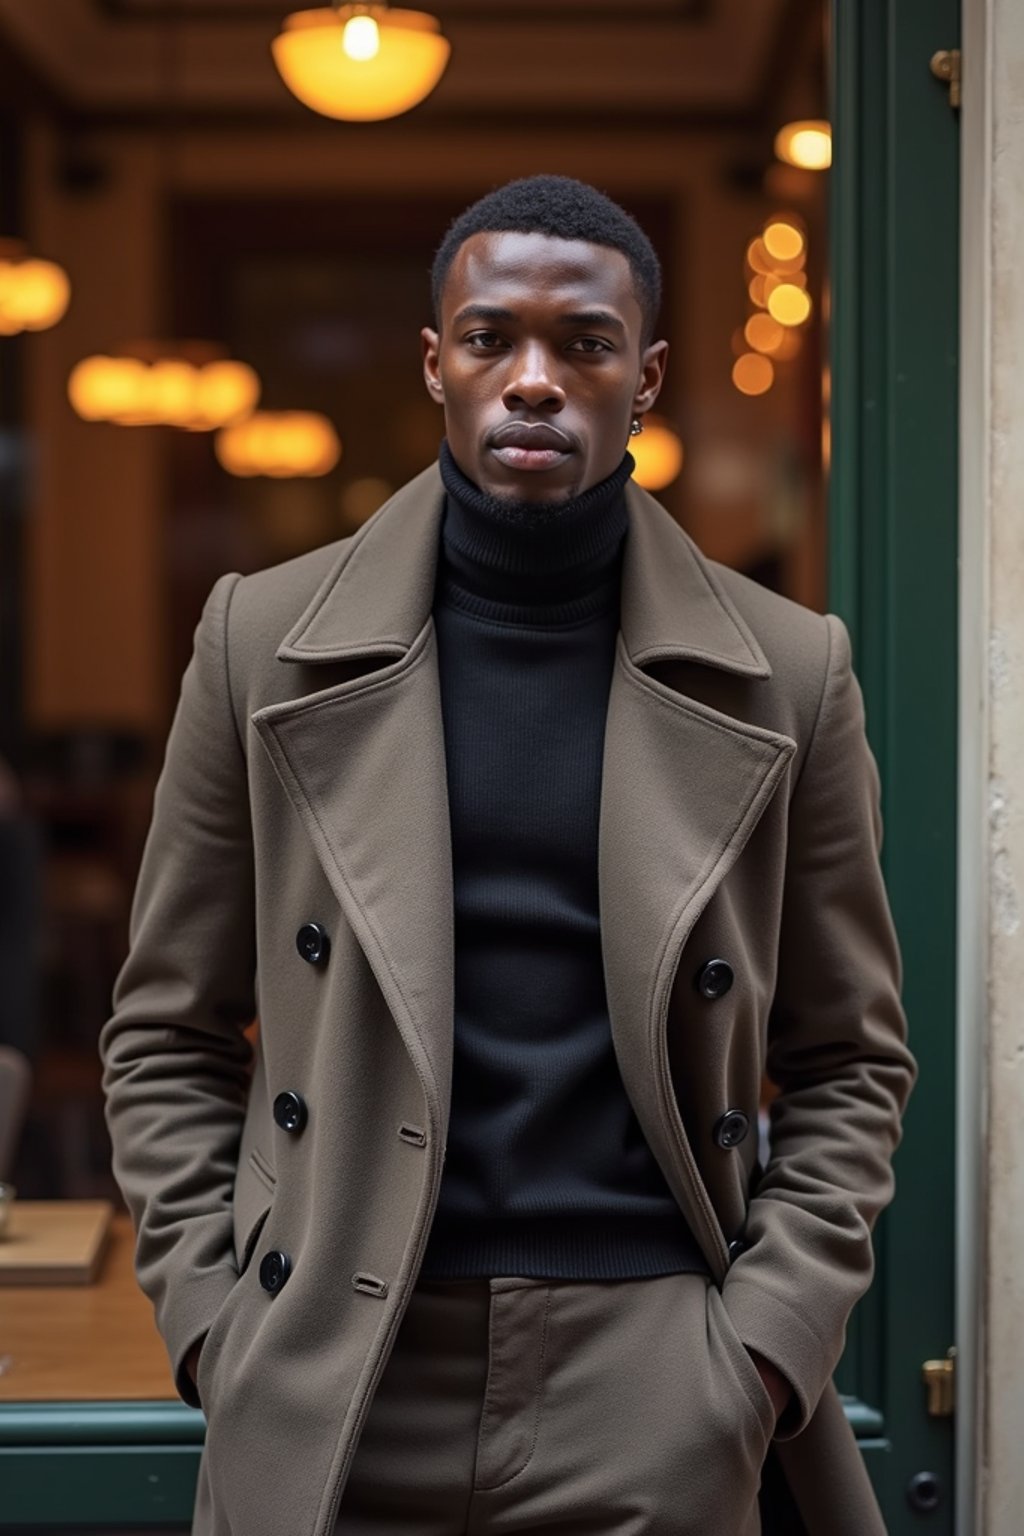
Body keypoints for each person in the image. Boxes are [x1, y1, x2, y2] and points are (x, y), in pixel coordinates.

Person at [99, 174, 916, 1536]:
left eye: (583, 345)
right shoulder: (262, 639)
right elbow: (163, 1027)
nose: (533, 379)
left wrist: (759, 1356)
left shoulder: (786, 670)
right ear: (437, 362)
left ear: (645, 376)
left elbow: (852, 1058)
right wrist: (214, 1324)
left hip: (659, 1375)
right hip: (338, 1373)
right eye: (491, 339)